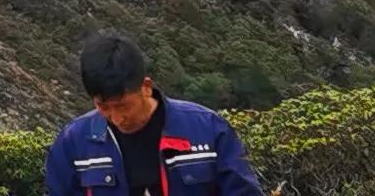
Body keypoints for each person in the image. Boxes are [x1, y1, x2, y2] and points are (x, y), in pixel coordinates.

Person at [43, 31, 262, 196]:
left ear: (146, 86)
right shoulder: (73, 144)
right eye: (103, 107)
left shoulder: (208, 130)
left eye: (123, 106)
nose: (117, 118)